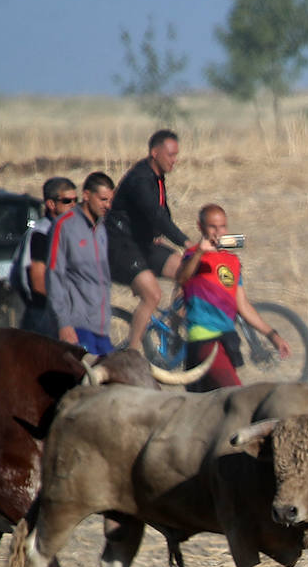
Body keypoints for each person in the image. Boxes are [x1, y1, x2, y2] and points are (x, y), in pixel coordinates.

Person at [176, 203, 291, 391]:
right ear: (200, 226)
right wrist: (199, 252)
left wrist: (273, 336)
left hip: (226, 339)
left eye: (222, 226)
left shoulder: (232, 261)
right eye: (212, 226)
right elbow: (182, 277)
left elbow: (243, 306)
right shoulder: (193, 256)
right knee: (234, 396)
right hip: (204, 341)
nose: (218, 232)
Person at [108, 129, 188, 351]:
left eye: (176, 155)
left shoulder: (157, 177)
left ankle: (173, 333)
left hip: (142, 244)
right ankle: (132, 351)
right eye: (170, 155)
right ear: (155, 153)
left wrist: (157, 235)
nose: (175, 160)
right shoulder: (140, 179)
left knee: (187, 270)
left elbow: (162, 212)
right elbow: (155, 214)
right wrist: (184, 241)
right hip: (121, 246)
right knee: (152, 295)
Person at [46, 171, 115, 356]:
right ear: (86, 195)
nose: (107, 205)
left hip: (100, 327)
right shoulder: (64, 226)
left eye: (110, 201)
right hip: (76, 326)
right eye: (103, 199)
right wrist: (63, 324)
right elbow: (54, 276)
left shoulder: (101, 229)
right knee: (86, 380)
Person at [10, 175, 76, 337]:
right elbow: (39, 283)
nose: (74, 206)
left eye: (76, 200)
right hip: (42, 313)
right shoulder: (41, 235)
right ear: (51, 204)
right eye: (67, 201)